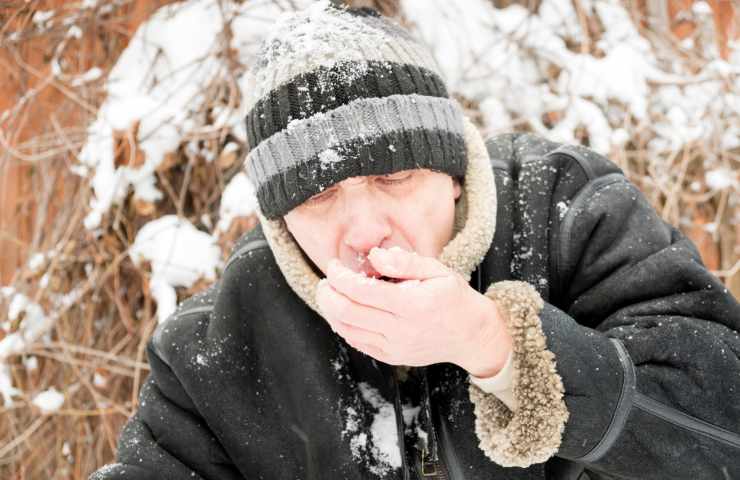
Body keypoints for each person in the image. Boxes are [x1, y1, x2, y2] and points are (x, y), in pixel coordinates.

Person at [90, 3, 740, 480]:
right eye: (318, 196)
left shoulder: (568, 213)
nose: (364, 229)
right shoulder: (221, 340)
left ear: (453, 174)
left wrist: (498, 346)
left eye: (392, 175)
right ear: (283, 224)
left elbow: (721, 426)